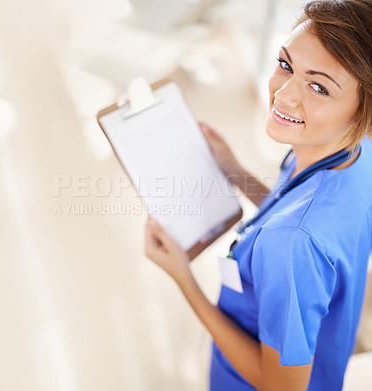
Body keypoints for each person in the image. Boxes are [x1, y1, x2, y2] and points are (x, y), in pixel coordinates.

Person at [144, 0, 372, 390]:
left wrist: (185, 279)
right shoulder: (351, 154)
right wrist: (236, 172)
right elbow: (304, 212)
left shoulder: (292, 244)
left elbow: (281, 386)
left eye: (319, 87)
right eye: (286, 65)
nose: (283, 96)